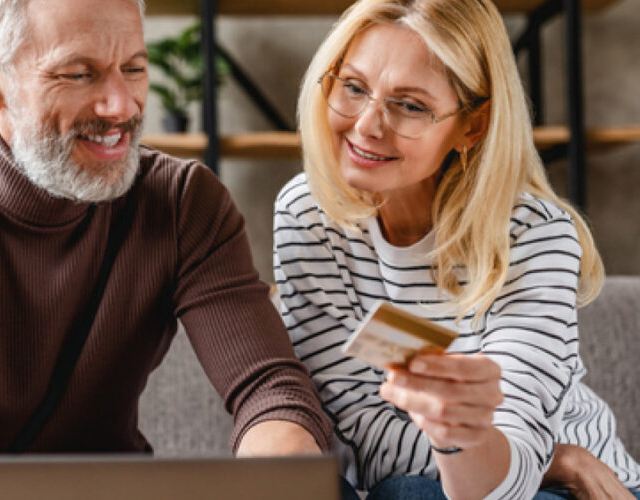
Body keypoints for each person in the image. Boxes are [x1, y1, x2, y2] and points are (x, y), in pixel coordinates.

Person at [272, 0, 640, 498]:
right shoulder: (308, 217)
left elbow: (507, 465)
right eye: (354, 88)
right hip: (461, 478)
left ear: (472, 126)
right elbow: (358, 428)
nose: (366, 126)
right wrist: (554, 458)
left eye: (410, 105)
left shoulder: (535, 234)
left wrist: (517, 454)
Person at [0, 0, 333, 456]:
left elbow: (270, 391)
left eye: (134, 68)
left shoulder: (183, 203)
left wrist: (279, 464)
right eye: (79, 74)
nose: (121, 106)